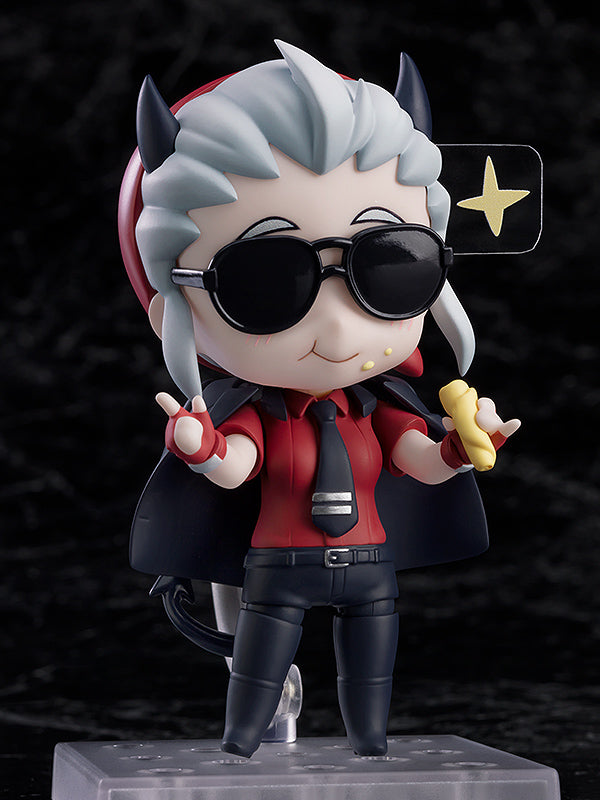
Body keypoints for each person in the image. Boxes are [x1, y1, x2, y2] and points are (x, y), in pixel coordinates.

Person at [119, 41, 519, 758]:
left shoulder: (378, 407)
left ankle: (369, 746)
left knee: (371, 680)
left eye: (391, 266)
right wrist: (203, 448)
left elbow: (419, 460)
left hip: (368, 569)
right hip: (275, 571)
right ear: (169, 309)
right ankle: (245, 743)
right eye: (266, 282)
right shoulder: (260, 415)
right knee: (256, 675)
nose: (336, 327)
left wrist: (462, 447)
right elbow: (236, 468)